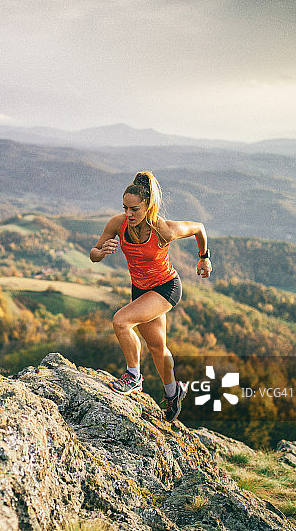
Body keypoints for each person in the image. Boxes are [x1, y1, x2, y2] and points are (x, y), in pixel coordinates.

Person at [89, 171, 212, 422]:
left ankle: (133, 377)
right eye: (125, 208)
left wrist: (204, 258)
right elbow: (93, 253)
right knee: (157, 347)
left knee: (121, 321)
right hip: (141, 290)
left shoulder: (163, 229)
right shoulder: (118, 224)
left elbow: (199, 228)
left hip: (166, 287)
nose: (129, 213)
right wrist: (101, 252)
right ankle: (173, 392)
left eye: (134, 209)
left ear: (148, 206)